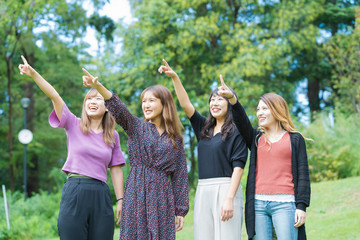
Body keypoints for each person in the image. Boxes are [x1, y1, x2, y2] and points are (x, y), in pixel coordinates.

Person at [18, 56, 126, 240]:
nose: (92, 101)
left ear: (107, 106)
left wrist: (121, 200)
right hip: (75, 189)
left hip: (101, 194)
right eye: (88, 99)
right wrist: (34, 74)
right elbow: (54, 96)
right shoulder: (73, 123)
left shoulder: (112, 135)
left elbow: (116, 169)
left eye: (98, 98)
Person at [82, 68, 189, 240]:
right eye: (144, 101)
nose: (146, 105)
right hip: (137, 191)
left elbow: (180, 175)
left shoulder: (175, 139)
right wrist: (98, 86)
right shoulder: (137, 127)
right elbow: (119, 109)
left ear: (164, 104)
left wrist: (181, 209)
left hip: (162, 196)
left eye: (151, 101)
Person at [158, 59, 248, 240]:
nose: (214, 103)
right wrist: (175, 77)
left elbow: (238, 167)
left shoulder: (236, 131)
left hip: (226, 188)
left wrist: (229, 199)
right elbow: (185, 104)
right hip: (203, 189)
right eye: (212, 100)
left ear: (229, 103)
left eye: (220, 99)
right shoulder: (203, 128)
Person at [217, 78, 311, 240]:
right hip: (258, 205)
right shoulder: (256, 138)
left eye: (264, 109)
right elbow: (241, 120)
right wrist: (232, 99)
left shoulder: (295, 139)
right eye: (258, 109)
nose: (259, 113)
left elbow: (303, 176)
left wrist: (301, 207)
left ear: (276, 110)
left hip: (285, 204)